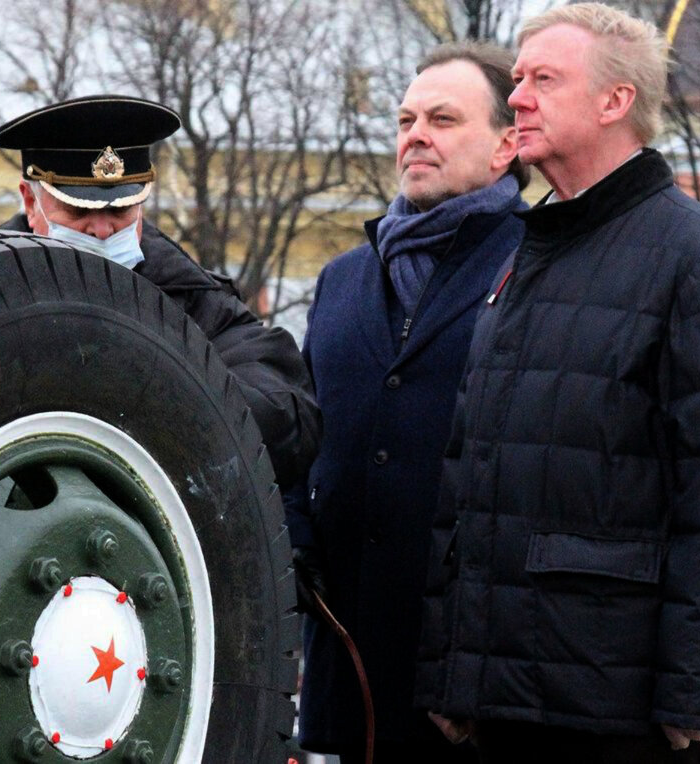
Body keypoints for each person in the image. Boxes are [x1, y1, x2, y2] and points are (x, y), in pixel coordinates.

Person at [416, 5, 700, 763]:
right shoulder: (530, 253)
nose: (517, 98)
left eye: (543, 79)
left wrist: (698, 691)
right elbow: (470, 478)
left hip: (622, 716)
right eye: (517, 80)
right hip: (504, 704)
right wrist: (452, 671)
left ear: (615, 103)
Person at [284, 43, 528, 763]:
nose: (415, 134)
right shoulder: (342, 280)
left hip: (471, 698)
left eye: (444, 119)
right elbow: (300, 437)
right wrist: (294, 536)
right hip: (345, 681)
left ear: (506, 145)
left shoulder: (540, 267)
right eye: (406, 119)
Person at [0, 95, 320, 488]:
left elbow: (288, 417)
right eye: (79, 212)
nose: (103, 230)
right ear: (31, 203)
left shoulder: (192, 298)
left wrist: (163, 375)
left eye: (120, 210)